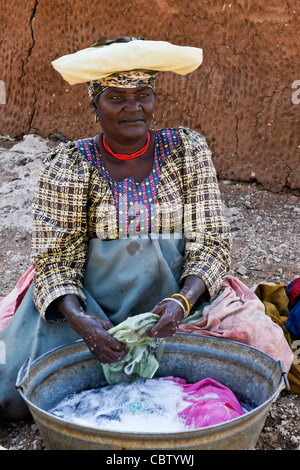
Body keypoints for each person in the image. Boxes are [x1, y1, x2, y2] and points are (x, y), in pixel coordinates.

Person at [0, 37, 293, 420]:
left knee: (263, 358)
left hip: (178, 307)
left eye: (143, 94)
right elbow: (56, 259)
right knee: (12, 388)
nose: (133, 107)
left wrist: (182, 300)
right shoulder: (71, 165)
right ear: (94, 106)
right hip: (93, 308)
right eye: (116, 97)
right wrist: (79, 319)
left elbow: (211, 241)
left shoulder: (186, 151)